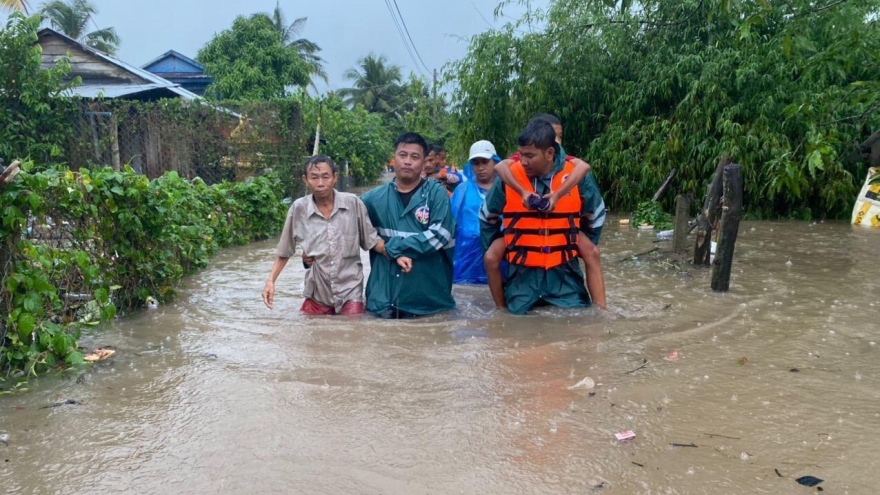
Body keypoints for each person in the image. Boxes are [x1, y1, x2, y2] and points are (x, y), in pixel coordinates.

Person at [480, 120, 606, 315]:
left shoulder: (575, 173)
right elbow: (487, 218)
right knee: (512, 323)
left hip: (565, 276)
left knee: (579, 322)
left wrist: (574, 241)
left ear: (549, 153)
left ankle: (601, 313)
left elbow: (595, 215)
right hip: (522, 277)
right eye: (521, 155)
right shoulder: (509, 176)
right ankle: (501, 310)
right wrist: (508, 244)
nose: (523, 161)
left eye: (529, 156)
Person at [262, 155, 386, 315]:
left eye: (325, 177)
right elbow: (284, 250)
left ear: (335, 178)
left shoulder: (353, 203)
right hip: (317, 293)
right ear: (305, 180)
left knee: (354, 333)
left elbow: (372, 241)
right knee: (312, 334)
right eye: (314, 177)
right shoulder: (298, 209)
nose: (320, 183)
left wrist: (397, 253)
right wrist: (271, 281)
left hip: (350, 291)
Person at [362, 132, 456, 318]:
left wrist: (391, 247)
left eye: (415, 157)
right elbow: (349, 231)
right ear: (393, 159)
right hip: (382, 302)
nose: (407, 161)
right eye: (402, 155)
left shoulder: (436, 194)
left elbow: (441, 234)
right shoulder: (372, 199)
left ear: (424, 163)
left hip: (429, 303)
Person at [451, 140, 501, 284]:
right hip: (467, 255)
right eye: (476, 163)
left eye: (485, 162)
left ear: (495, 163)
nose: (480, 167)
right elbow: (451, 221)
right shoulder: (462, 190)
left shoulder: (505, 189)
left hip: (498, 252)